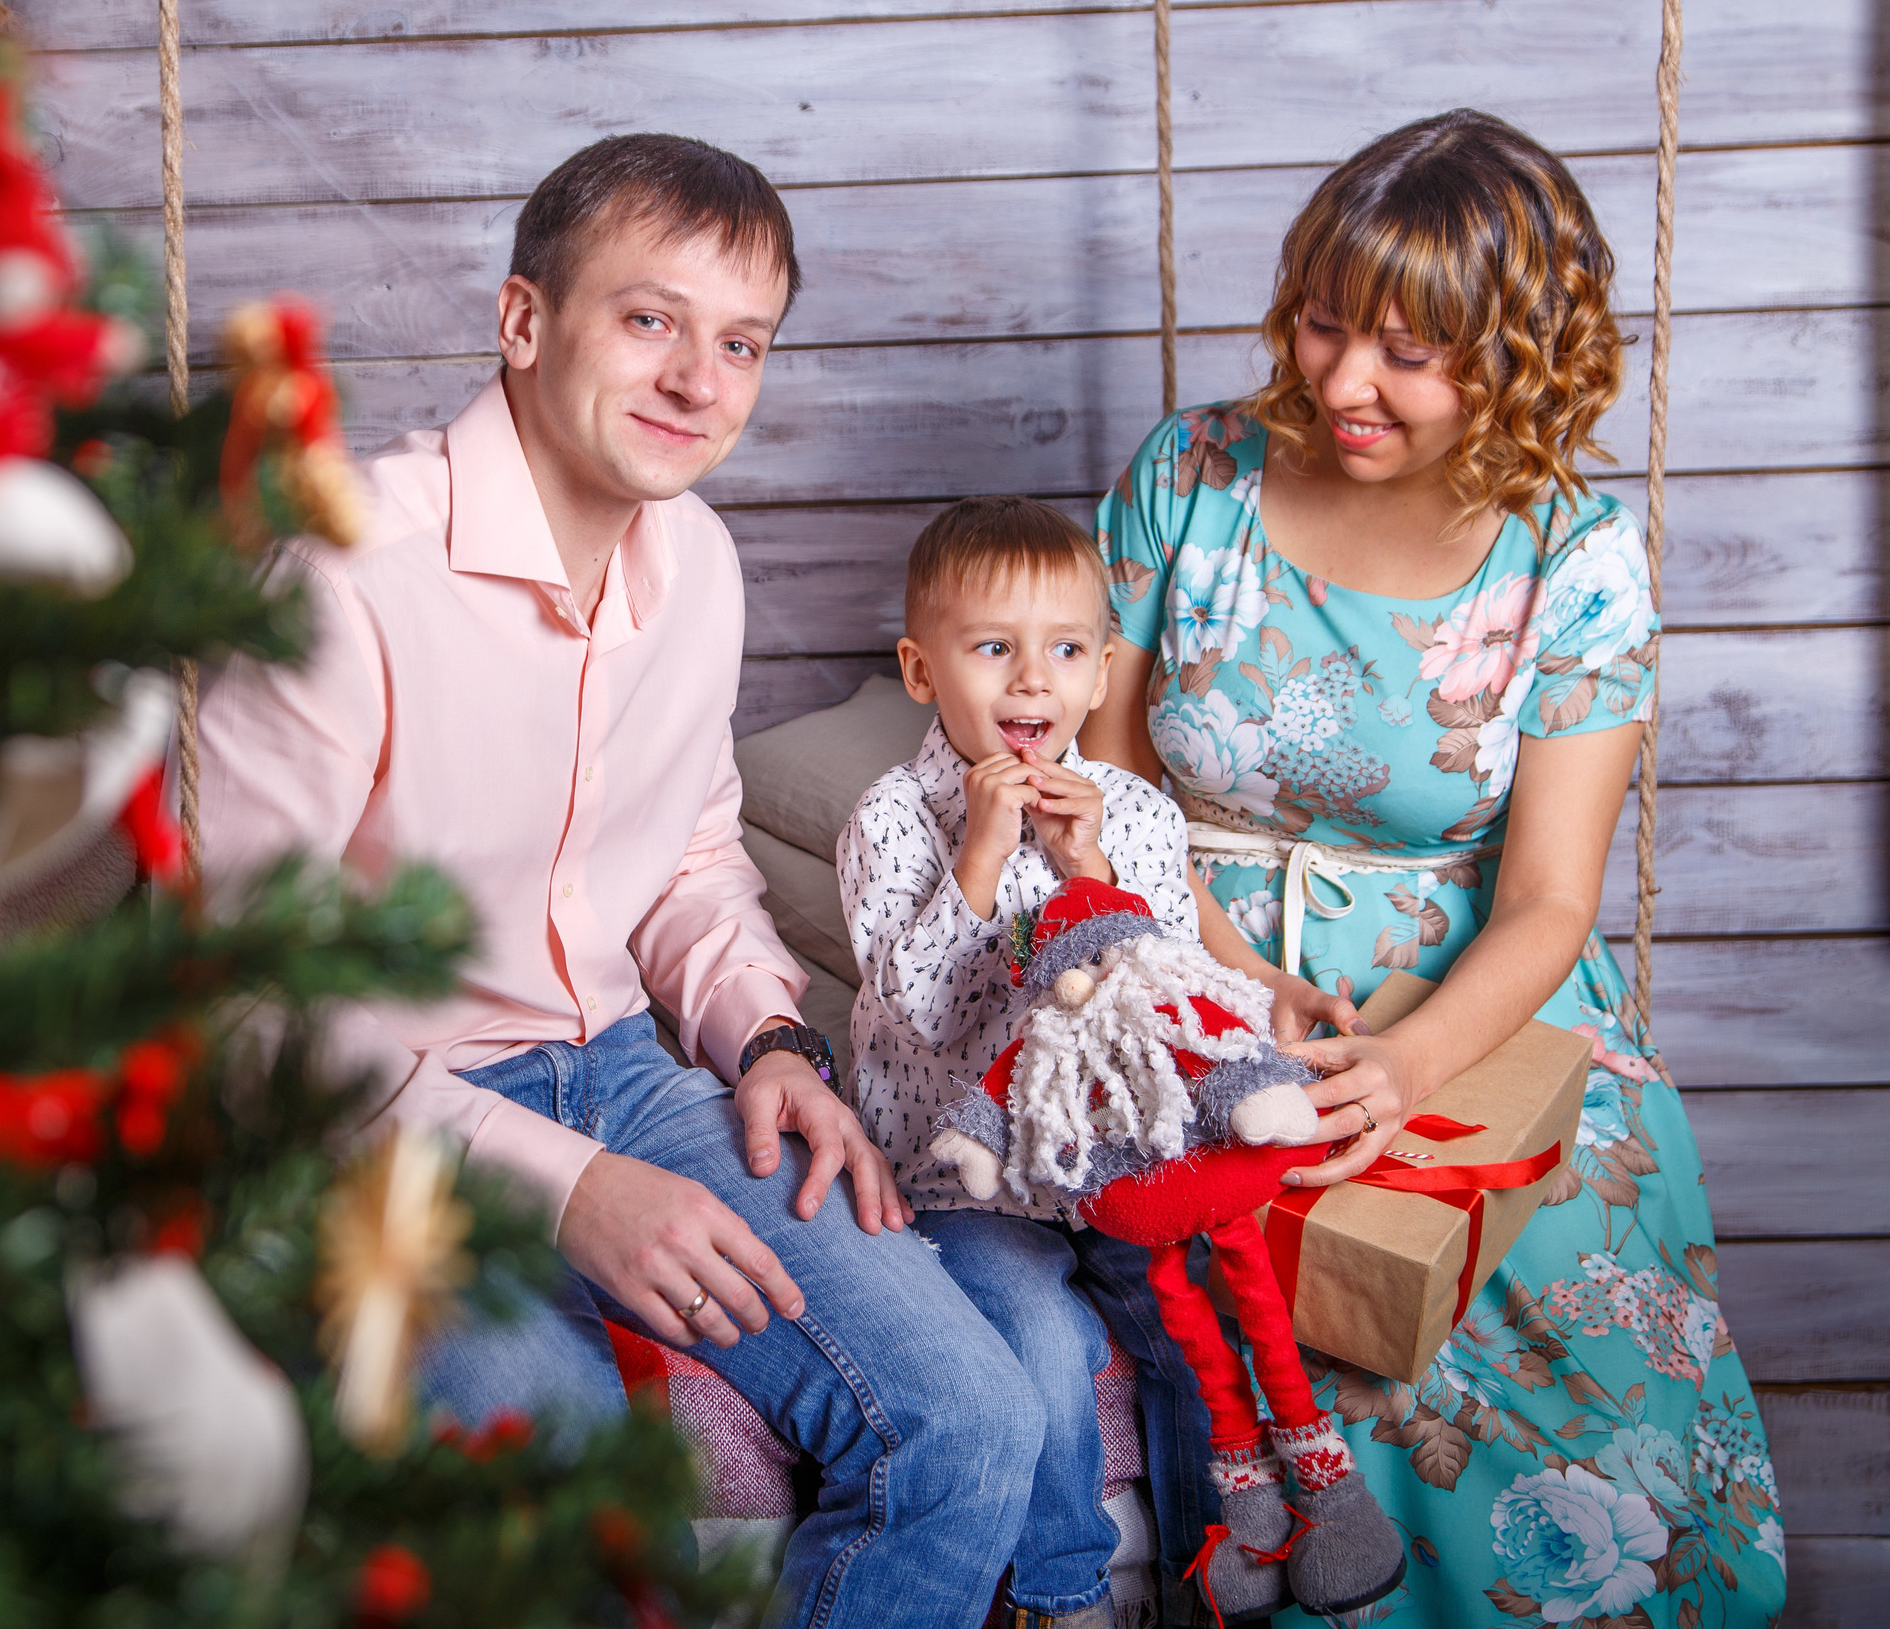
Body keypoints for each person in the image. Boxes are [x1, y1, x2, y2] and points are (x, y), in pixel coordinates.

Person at [197, 134, 1054, 1628]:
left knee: (974, 1422)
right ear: (526, 321)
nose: (697, 381)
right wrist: (575, 1190)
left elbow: (688, 850)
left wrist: (768, 1038)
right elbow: (244, 1002)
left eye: (741, 344)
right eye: (649, 320)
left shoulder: (700, 562)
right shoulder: (343, 577)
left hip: (616, 1062)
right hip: (368, 1120)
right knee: (562, 1477)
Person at [1083, 108, 1787, 1627]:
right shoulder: (1193, 470)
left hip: (1468, 1000)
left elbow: (1546, 896)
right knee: (1276, 1288)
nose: (1344, 381)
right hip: (1186, 951)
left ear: (1520, 348)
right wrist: (1227, 970)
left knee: (1536, 1252)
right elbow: (1113, 768)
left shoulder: (1577, 556)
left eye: (1408, 350)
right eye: (1328, 326)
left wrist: (1401, 1063)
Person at [835, 495, 1221, 1628]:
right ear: (920, 671)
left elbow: (1163, 1008)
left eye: (1062, 652)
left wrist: (1087, 865)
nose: (1029, 685)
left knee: (1196, 1315)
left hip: (1110, 1171)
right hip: (970, 1178)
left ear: (1103, 674)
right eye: (992, 650)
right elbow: (914, 1011)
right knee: (1038, 1334)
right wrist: (982, 854)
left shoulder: (1140, 817)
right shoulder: (895, 817)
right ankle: (1063, 1596)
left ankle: (1219, 1573)